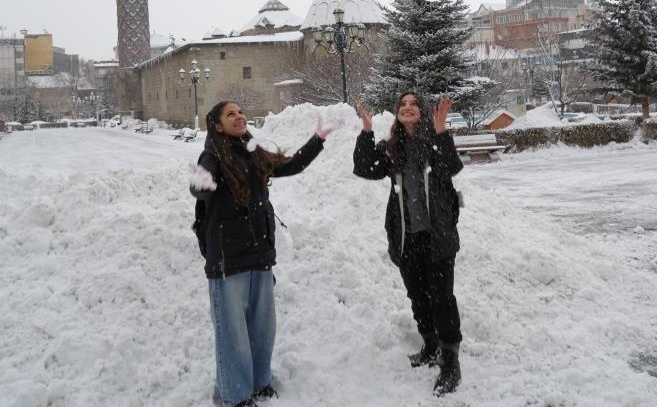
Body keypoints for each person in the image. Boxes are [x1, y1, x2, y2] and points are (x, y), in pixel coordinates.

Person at [189, 101, 337, 407]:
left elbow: (291, 165)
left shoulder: (253, 152)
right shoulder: (213, 155)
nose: (239, 116)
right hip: (228, 261)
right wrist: (201, 183)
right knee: (233, 335)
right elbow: (200, 187)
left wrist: (318, 138)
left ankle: (259, 382)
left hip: (259, 256)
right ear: (217, 125)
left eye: (240, 111)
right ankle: (235, 394)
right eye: (230, 114)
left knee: (261, 329)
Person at [353, 93, 464, 396]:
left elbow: (451, 168)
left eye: (413, 104)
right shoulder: (392, 149)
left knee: (442, 298)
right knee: (417, 296)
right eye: (402, 104)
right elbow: (364, 167)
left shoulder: (434, 140)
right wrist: (366, 129)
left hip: (437, 236)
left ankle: (450, 360)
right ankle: (429, 344)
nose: (407, 107)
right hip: (406, 238)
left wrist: (441, 132)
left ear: (422, 112)